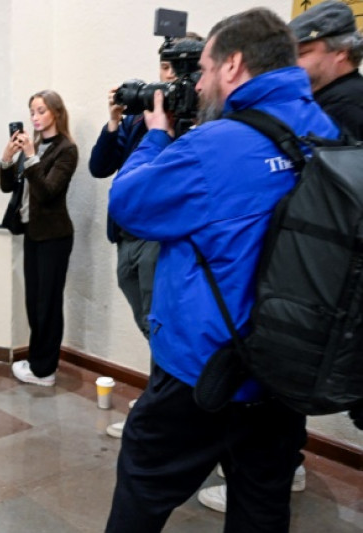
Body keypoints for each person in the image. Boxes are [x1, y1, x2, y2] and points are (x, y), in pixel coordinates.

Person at [104, 8, 339, 532]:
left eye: (206, 68)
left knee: (142, 493)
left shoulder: (214, 146)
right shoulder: (324, 129)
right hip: (284, 369)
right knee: (261, 506)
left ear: (233, 65)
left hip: (203, 369)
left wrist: (157, 136)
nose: (202, 82)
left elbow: (128, 204)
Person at [196, 1, 363, 513]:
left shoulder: (344, 109)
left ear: (339, 52)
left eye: (305, 51)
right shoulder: (327, 105)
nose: (295, 61)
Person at [89, 34, 203, 438]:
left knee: (162, 322)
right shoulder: (142, 118)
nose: (165, 79)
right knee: (148, 321)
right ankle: (164, 397)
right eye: (163, 67)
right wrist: (115, 121)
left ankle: (161, 410)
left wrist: (169, 133)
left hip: (159, 237)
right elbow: (100, 168)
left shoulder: (199, 120)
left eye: (173, 69)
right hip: (127, 236)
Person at [0, 90, 78, 387]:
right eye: (32, 111)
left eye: (41, 110)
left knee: (48, 303)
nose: (34, 117)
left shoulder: (65, 149)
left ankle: (45, 370)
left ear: (56, 113)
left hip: (55, 237)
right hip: (33, 233)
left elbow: (47, 191)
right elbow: (10, 187)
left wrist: (31, 156)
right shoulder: (35, 146)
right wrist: (8, 159)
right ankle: (37, 362)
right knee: (34, 301)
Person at [291, 0, 363, 139]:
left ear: (341, 52)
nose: (292, 62)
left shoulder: (345, 106)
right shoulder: (334, 98)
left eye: (301, 54)